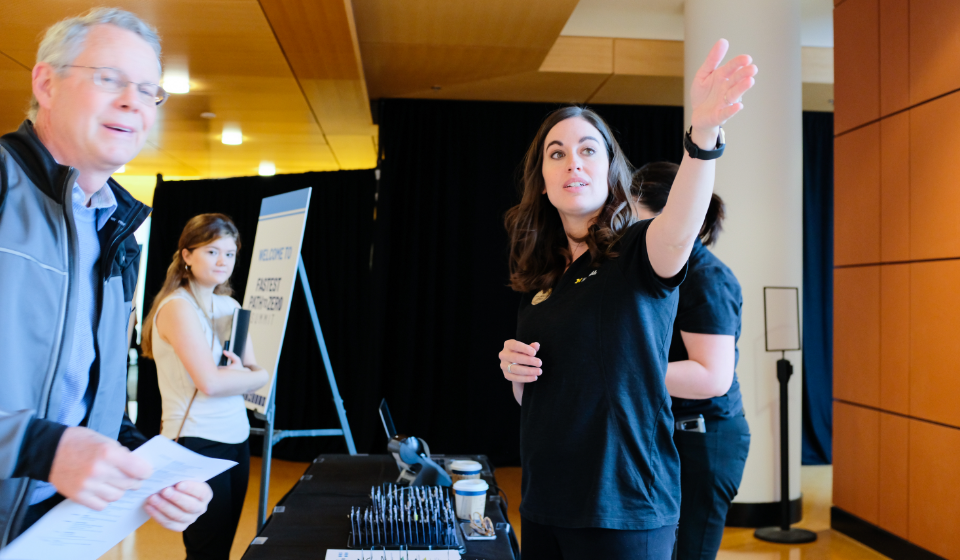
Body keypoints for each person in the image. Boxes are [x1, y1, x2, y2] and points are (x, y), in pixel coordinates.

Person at [497, 39, 757, 559]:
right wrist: (516, 373)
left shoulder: (638, 251)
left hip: (622, 509)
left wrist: (702, 137)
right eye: (558, 153)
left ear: (610, 168)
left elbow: (680, 226)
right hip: (546, 502)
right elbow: (540, 397)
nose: (574, 162)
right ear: (544, 182)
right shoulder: (542, 279)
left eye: (589, 149)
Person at [0, 8, 213, 545]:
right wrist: (39, 449)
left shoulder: (116, 231)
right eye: (108, 79)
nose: (131, 103)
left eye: (148, 90)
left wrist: (145, 466)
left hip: (53, 532)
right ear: (46, 83)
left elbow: (85, 399)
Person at [634, 162, 750, 560]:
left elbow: (711, 377)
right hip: (671, 430)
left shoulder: (706, 278)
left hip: (705, 439)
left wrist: (619, 370)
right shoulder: (656, 270)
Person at [141, 213, 268, 560]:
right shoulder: (177, 307)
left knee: (222, 547)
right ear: (186, 255)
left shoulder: (230, 305)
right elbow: (212, 382)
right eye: (212, 251)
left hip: (237, 437)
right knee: (205, 550)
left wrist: (247, 375)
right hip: (196, 441)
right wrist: (256, 376)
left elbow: (249, 368)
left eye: (230, 253)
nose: (223, 261)